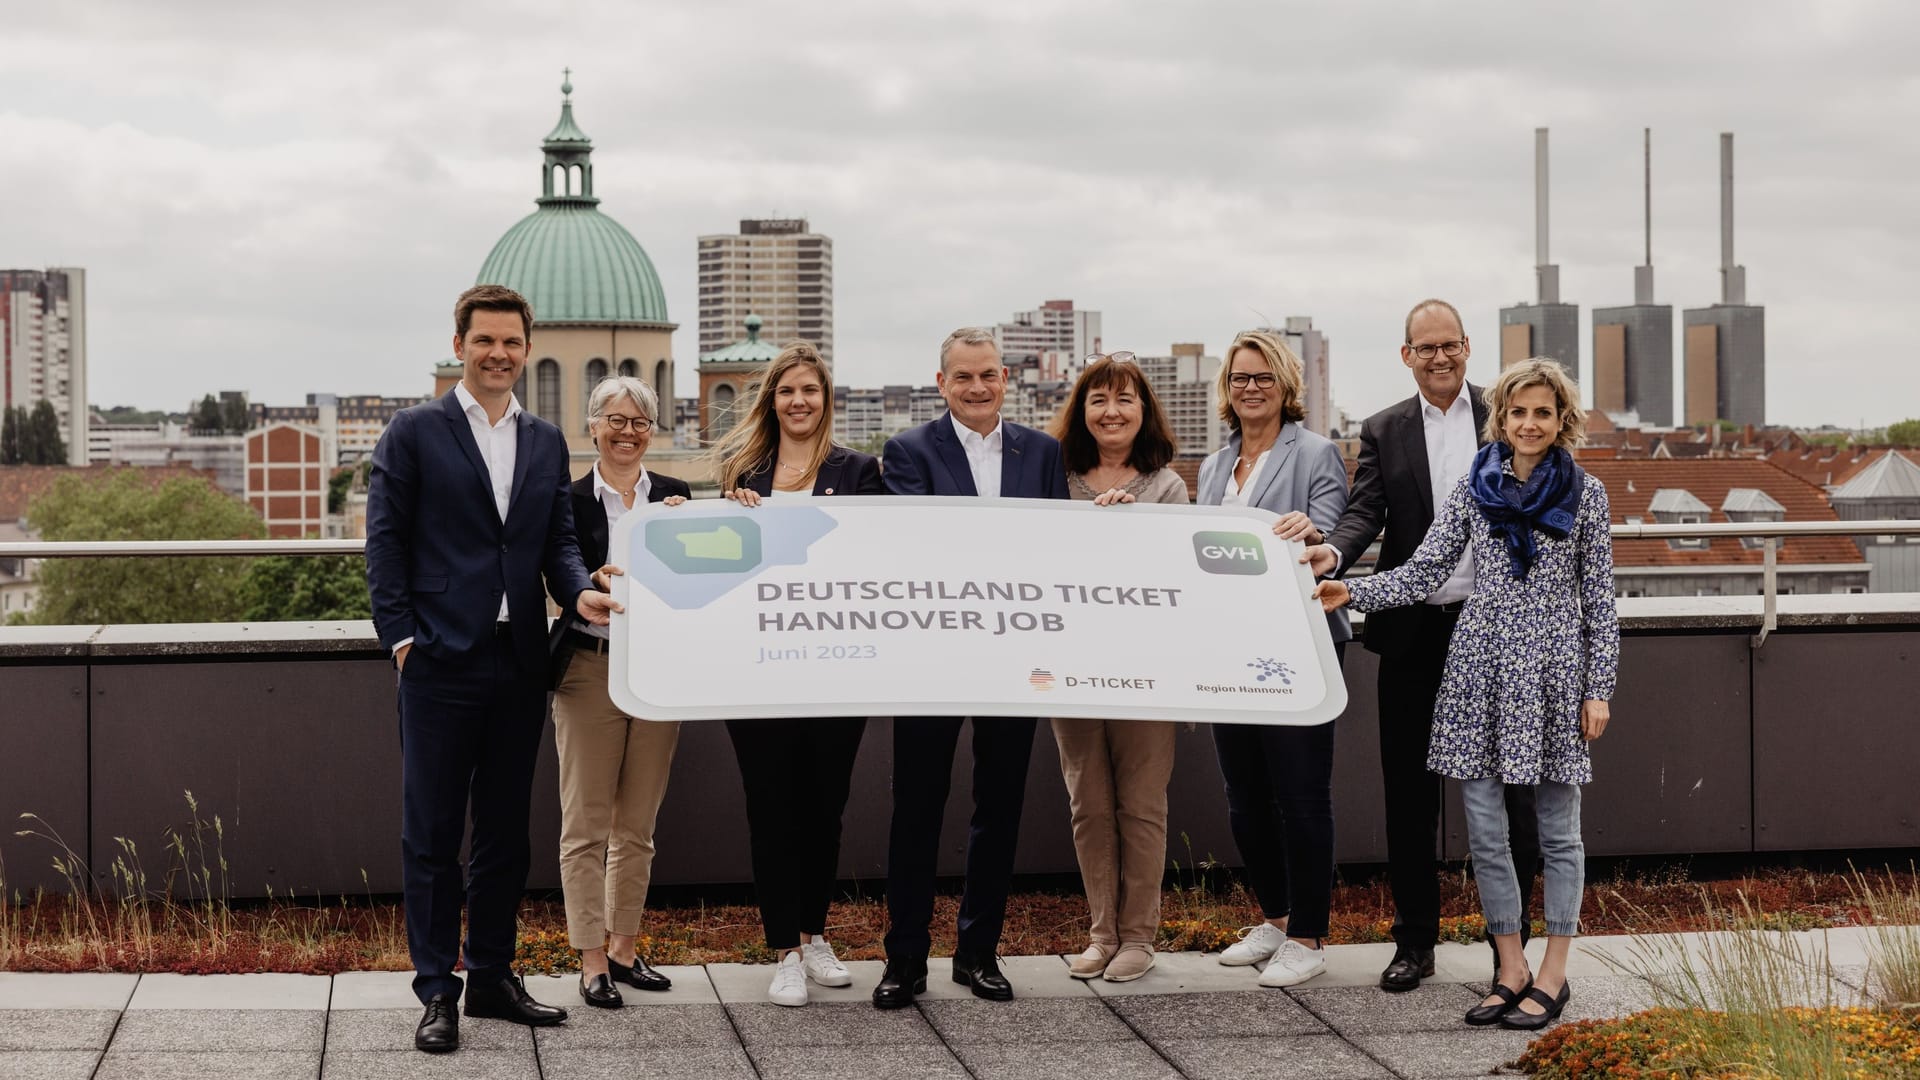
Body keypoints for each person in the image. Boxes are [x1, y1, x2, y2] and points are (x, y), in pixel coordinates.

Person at [1314, 358, 1616, 1029]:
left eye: (1542, 412)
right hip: (1476, 671)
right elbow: (1424, 569)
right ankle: (1509, 968)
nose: (1529, 424)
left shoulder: (1587, 494)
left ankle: (1553, 973)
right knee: (1485, 832)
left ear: (1560, 419)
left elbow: (1600, 603)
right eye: (1517, 412)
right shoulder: (1474, 490)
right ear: (1500, 420)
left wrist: (1599, 689)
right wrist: (1353, 590)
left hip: (1551, 676)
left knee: (1558, 833)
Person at [366, 285, 618, 1053]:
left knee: (507, 833)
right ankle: (437, 990)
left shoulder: (544, 441)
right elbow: (385, 546)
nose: (499, 354)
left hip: (519, 662)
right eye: (485, 341)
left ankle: (493, 977)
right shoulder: (414, 432)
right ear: (460, 343)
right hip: (439, 661)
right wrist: (403, 639)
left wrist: (580, 593)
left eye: (512, 342)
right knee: (433, 836)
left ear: (526, 347)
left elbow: (557, 544)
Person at [1299, 298, 1541, 992]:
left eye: (1450, 345)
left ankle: (1511, 945)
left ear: (1467, 347)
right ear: (1407, 356)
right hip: (1412, 635)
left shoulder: (1509, 413)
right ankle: (1414, 944)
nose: (1439, 357)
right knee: (1409, 797)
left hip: (1492, 632)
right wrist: (1333, 558)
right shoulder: (1383, 429)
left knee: (1511, 796)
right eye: (1424, 347)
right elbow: (1364, 512)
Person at [871, 326, 1069, 1009]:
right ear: (942, 383)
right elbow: (917, 548)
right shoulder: (906, 451)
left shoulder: (1043, 452)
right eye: (964, 377)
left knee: (1000, 807)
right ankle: (905, 960)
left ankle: (979, 953)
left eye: (988, 375)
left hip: (1015, 657)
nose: (978, 387)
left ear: (1006, 378)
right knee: (916, 810)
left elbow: (1058, 547)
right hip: (933, 656)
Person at [712, 341, 884, 1007]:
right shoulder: (741, 471)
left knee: (824, 809)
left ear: (825, 399)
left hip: (836, 668)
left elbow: (873, 557)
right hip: (757, 672)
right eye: (787, 391)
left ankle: (816, 935)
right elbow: (719, 562)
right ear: (772, 401)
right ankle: (783, 947)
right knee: (771, 809)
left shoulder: (860, 470)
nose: (799, 401)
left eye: (810, 390)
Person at [1195, 330, 1350, 989]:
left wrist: (1313, 533)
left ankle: (1311, 934)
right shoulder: (1211, 466)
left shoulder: (1315, 452)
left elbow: (1332, 523)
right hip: (1231, 648)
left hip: (1297, 644)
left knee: (1301, 795)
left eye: (1262, 377)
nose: (1250, 388)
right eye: (1239, 378)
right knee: (1244, 797)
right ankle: (1278, 918)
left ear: (1286, 386)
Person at [1042, 351, 1188, 983]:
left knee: (1141, 804)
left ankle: (1139, 936)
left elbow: (1180, 577)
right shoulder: (1057, 479)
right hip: (1068, 662)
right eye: (1099, 400)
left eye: (1125, 399)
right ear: (1082, 411)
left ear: (1143, 411)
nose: (1112, 411)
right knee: (1089, 803)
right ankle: (1101, 933)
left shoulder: (1167, 486)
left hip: (1146, 667)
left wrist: (1137, 532)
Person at [547, 375, 690, 1010]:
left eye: (639, 421)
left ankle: (627, 948)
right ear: (593, 427)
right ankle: (592, 958)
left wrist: (728, 514)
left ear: (651, 431)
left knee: (639, 823)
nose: (627, 431)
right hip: (588, 669)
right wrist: (589, 580)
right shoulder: (567, 499)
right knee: (585, 824)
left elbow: (704, 573)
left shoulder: (678, 498)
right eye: (615, 420)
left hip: (659, 671)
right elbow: (556, 571)